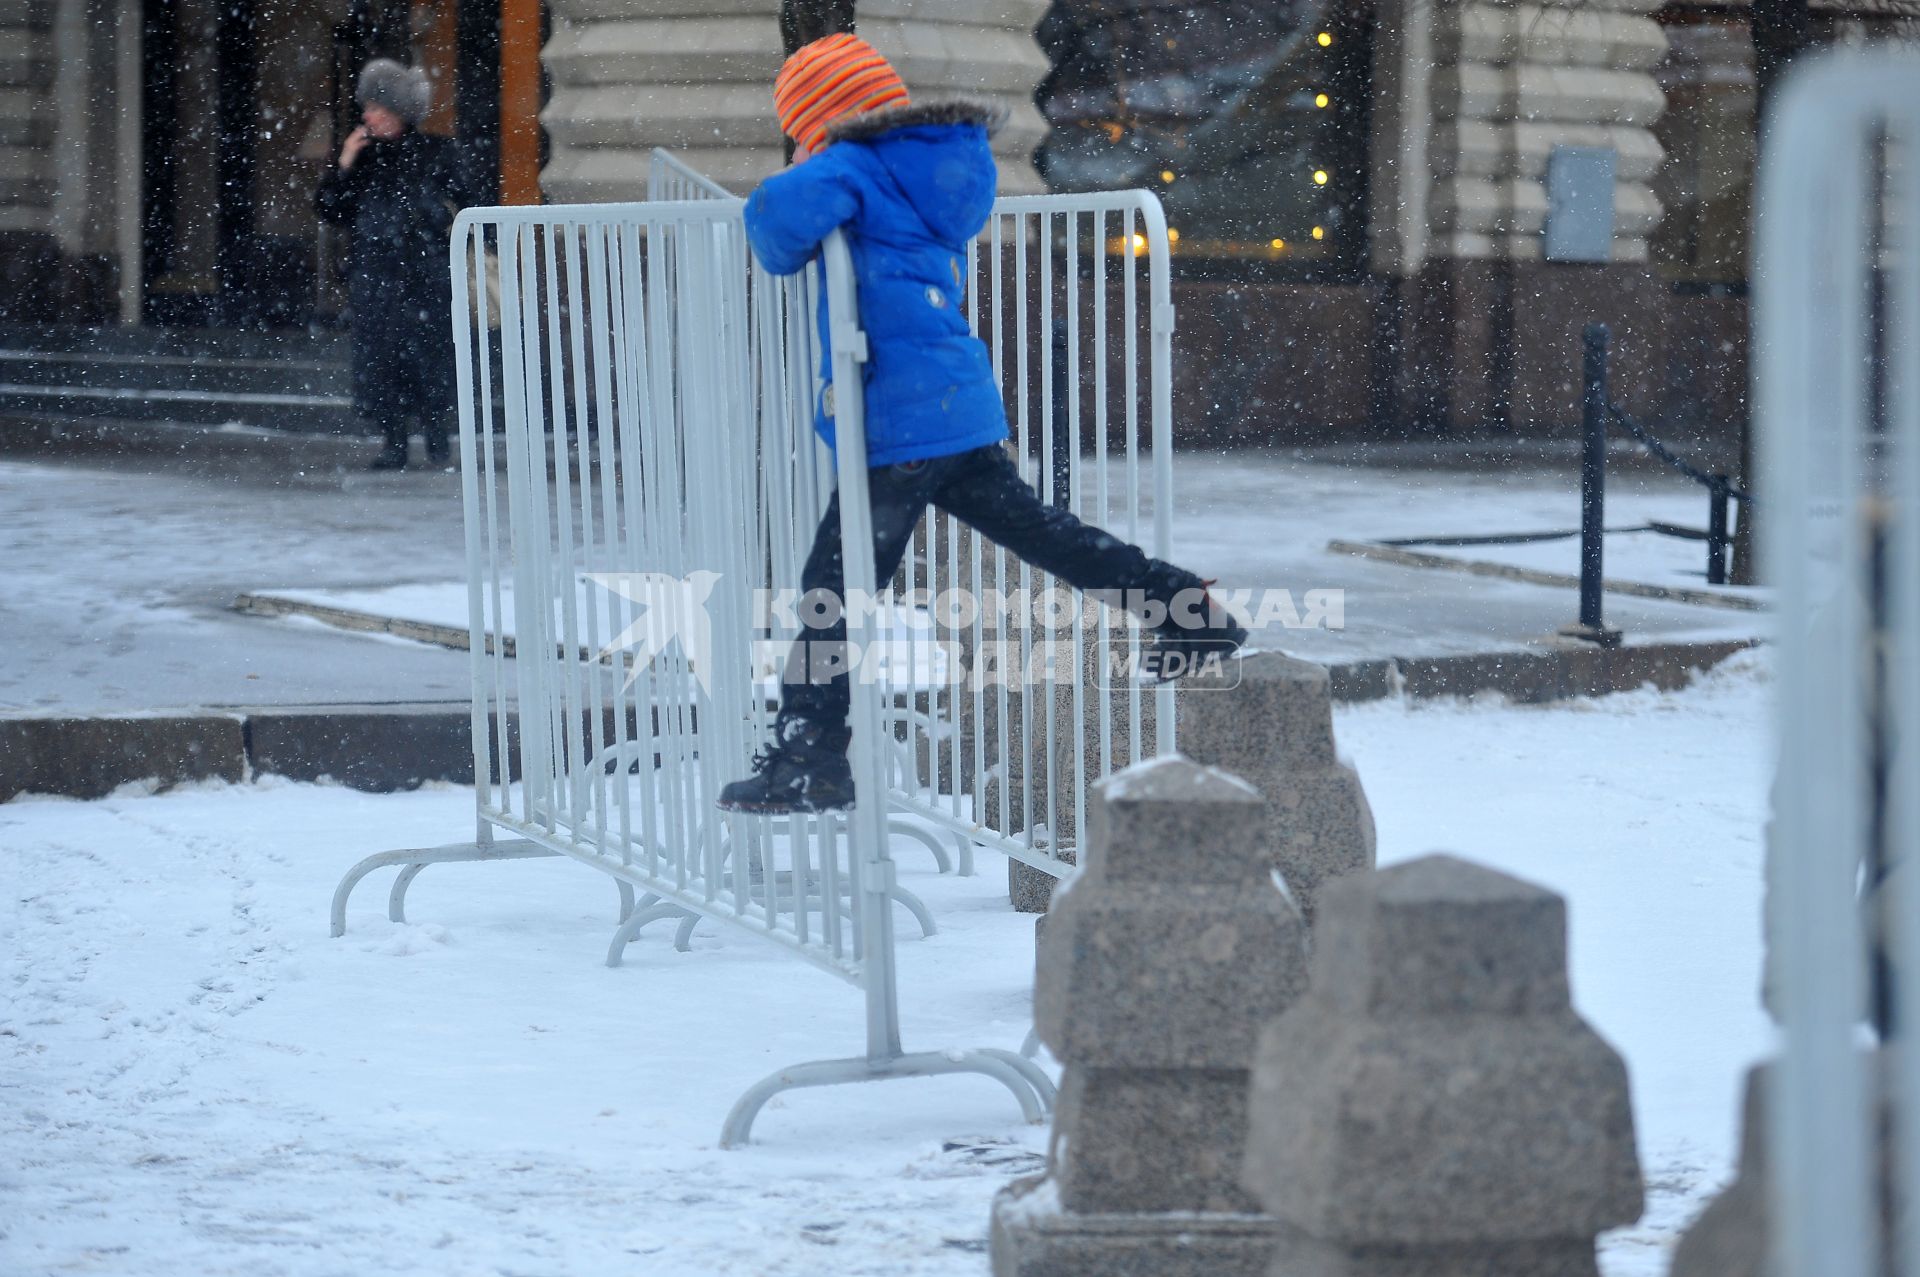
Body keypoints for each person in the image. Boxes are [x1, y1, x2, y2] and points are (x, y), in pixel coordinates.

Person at [717, 33, 1246, 815]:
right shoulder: (932, 162)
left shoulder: (851, 167)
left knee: (832, 588)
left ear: (820, 121)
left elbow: (772, 231)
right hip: (953, 404)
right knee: (1043, 533)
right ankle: (1185, 609)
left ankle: (810, 756)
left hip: (899, 419)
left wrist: (803, 161)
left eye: (800, 128)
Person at [315, 58, 469, 470]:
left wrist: (439, 228)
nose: (366, 115)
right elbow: (331, 210)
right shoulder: (364, 158)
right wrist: (344, 163)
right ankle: (394, 441)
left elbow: (472, 205)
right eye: (367, 107)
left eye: (375, 108)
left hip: (427, 277)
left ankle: (438, 434)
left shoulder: (439, 152)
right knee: (380, 362)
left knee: (431, 358)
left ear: (398, 112)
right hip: (376, 278)